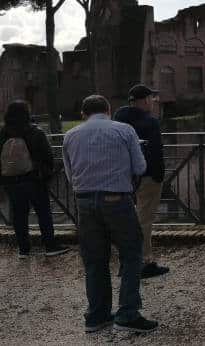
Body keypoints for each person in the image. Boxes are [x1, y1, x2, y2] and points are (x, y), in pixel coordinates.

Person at [63, 95, 157, 334]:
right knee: (131, 253)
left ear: (83, 114)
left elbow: (69, 174)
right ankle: (127, 313)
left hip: (84, 202)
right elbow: (140, 167)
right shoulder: (124, 130)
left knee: (94, 260)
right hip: (116, 199)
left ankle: (97, 316)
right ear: (108, 110)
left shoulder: (70, 136)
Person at [113, 84, 169, 279]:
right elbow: (155, 152)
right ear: (145, 100)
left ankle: (127, 260)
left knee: (128, 220)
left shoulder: (118, 120)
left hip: (125, 177)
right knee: (144, 220)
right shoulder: (150, 122)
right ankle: (143, 262)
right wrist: (159, 175)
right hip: (147, 176)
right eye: (152, 99)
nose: (154, 102)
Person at [0, 100, 69, 259]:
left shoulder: (3, 134)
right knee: (43, 213)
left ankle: (23, 250)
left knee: (19, 215)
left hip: (11, 180)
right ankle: (50, 246)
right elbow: (47, 157)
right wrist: (46, 174)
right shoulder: (35, 132)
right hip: (33, 179)